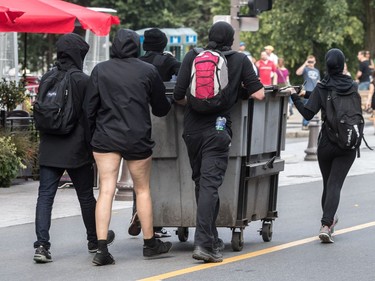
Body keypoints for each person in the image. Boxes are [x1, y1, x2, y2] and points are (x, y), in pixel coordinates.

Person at [173, 21, 265, 263]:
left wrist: (196, 103)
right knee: (210, 186)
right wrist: (236, 92)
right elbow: (259, 93)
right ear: (231, 39)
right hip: (218, 129)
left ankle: (210, 237)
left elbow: (178, 96)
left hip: (192, 130)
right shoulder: (240, 59)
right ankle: (203, 243)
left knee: (201, 184)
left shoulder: (193, 56)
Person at [84, 29, 173, 266]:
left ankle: (101, 249)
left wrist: (92, 137)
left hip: (105, 138)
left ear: (114, 46)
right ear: (137, 46)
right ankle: (150, 243)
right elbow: (161, 108)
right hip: (137, 137)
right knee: (142, 189)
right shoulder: (148, 70)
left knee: (105, 190)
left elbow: (89, 108)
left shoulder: (100, 70)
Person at [33, 33, 114, 264]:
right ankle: (93, 239)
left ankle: (42, 246)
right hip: (76, 147)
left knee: (45, 196)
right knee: (86, 197)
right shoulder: (82, 80)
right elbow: (90, 117)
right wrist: (93, 147)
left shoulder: (47, 77)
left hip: (49, 146)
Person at [291, 48, 357, 243]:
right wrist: (307, 92)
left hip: (327, 144)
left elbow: (308, 113)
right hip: (348, 143)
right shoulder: (352, 86)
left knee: (329, 184)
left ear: (327, 65)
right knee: (335, 184)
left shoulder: (323, 86)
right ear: (343, 64)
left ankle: (327, 223)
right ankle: (327, 223)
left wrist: (294, 96)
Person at [128, 27, 181, 239]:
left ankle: (136, 213)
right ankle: (156, 224)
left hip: (138, 122)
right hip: (163, 121)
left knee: (140, 176)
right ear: (163, 44)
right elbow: (184, 72)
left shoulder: (137, 62)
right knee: (165, 173)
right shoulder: (166, 61)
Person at [296, 55, 320, 129]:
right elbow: (298, 73)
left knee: (313, 108)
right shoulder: (306, 69)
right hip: (306, 92)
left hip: (314, 91)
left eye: (312, 62)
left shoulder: (317, 71)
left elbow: (318, 81)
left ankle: (309, 122)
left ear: (315, 62)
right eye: (309, 61)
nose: (310, 63)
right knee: (307, 108)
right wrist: (305, 64)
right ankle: (305, 124)